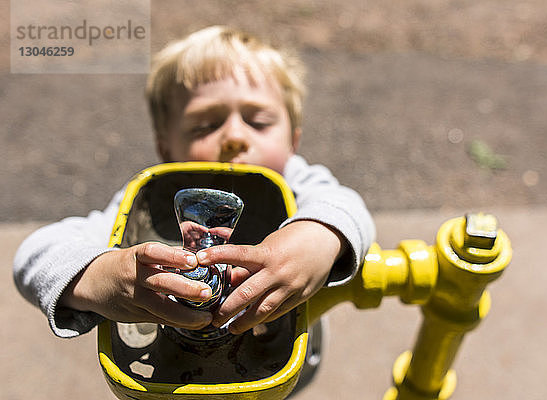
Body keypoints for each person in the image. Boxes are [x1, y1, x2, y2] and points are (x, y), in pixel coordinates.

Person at [14, 26, 374, 350]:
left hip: (273, 361)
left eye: (258, 121)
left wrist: (317, 237)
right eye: (205, 125)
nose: (234, 137)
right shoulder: (150, 200)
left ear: (293, 140)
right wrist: (102, 275)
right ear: (165, 148)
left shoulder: (297, 181)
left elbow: (346, 206)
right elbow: (36, 254)